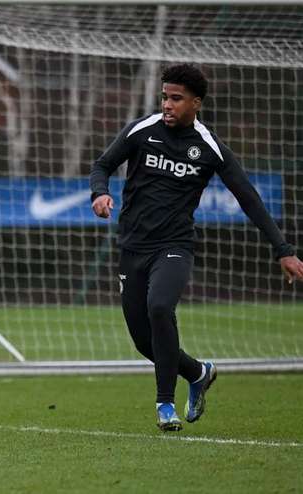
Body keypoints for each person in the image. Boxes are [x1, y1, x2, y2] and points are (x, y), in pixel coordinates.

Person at [89, 64, 303, 431]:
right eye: (164, 97)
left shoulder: (208, 146)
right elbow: (102, 165)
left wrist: (282, 249)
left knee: (159, 307)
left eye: (176, 98)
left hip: (175, 245)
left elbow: (248, 198)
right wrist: (100, 193)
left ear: (196, 103)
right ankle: (198, 373)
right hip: (132, 247)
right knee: (144, 342)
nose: (167, 105)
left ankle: (164, 405)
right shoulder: (142, 130)